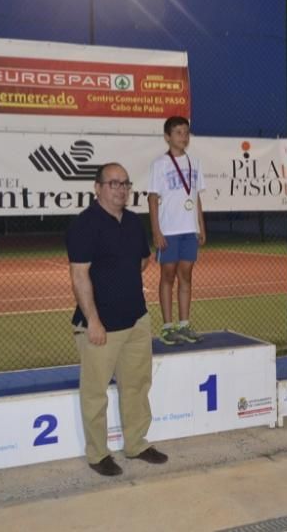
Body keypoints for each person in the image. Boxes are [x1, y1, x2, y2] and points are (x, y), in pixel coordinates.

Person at [67, 163, 168, 477]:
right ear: (97, 188)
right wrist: (93, 320)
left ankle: (136, 444)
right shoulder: (84, 225)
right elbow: (79, 275)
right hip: (101, 326)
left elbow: (142, 260)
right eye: (113, 183)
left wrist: (121, 284)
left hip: (137, 319)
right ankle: (98, 454)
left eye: (125, 183)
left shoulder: (134, 222)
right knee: (95, 393)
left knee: (137, 386)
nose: (121, 189)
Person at [148, 116, 207, 345]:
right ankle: (167, 327)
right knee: (167, 277)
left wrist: (201, 225)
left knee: (186, 277)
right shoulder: (160, 164)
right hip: (169, 231)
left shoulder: (195, 163)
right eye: (178, 132)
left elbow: (196, 197)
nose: (183, 137)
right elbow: (152, 199)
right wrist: (156, 232)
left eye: (186, 132)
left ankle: (184, 325)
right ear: (167, 137)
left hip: (189, 230)